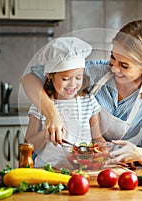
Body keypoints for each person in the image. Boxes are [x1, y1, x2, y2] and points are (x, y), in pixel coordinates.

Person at [21, 19, 142, 167]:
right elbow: (30, 78)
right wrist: (52, 114)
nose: (114, 68)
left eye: (124, 65)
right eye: (112, 57)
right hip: (55, 162)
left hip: (101, 166)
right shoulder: (96, 71)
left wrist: (139, 154)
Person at [25, 37, 106, 169]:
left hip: (81, 172)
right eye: (65, 78)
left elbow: (97, 138)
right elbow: (28, 145)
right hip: (48, 170)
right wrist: (45, 134)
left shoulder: (89, 102)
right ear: (50, 75)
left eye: (78, 77)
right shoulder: (40, 105)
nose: (73, 84)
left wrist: (107, 151)